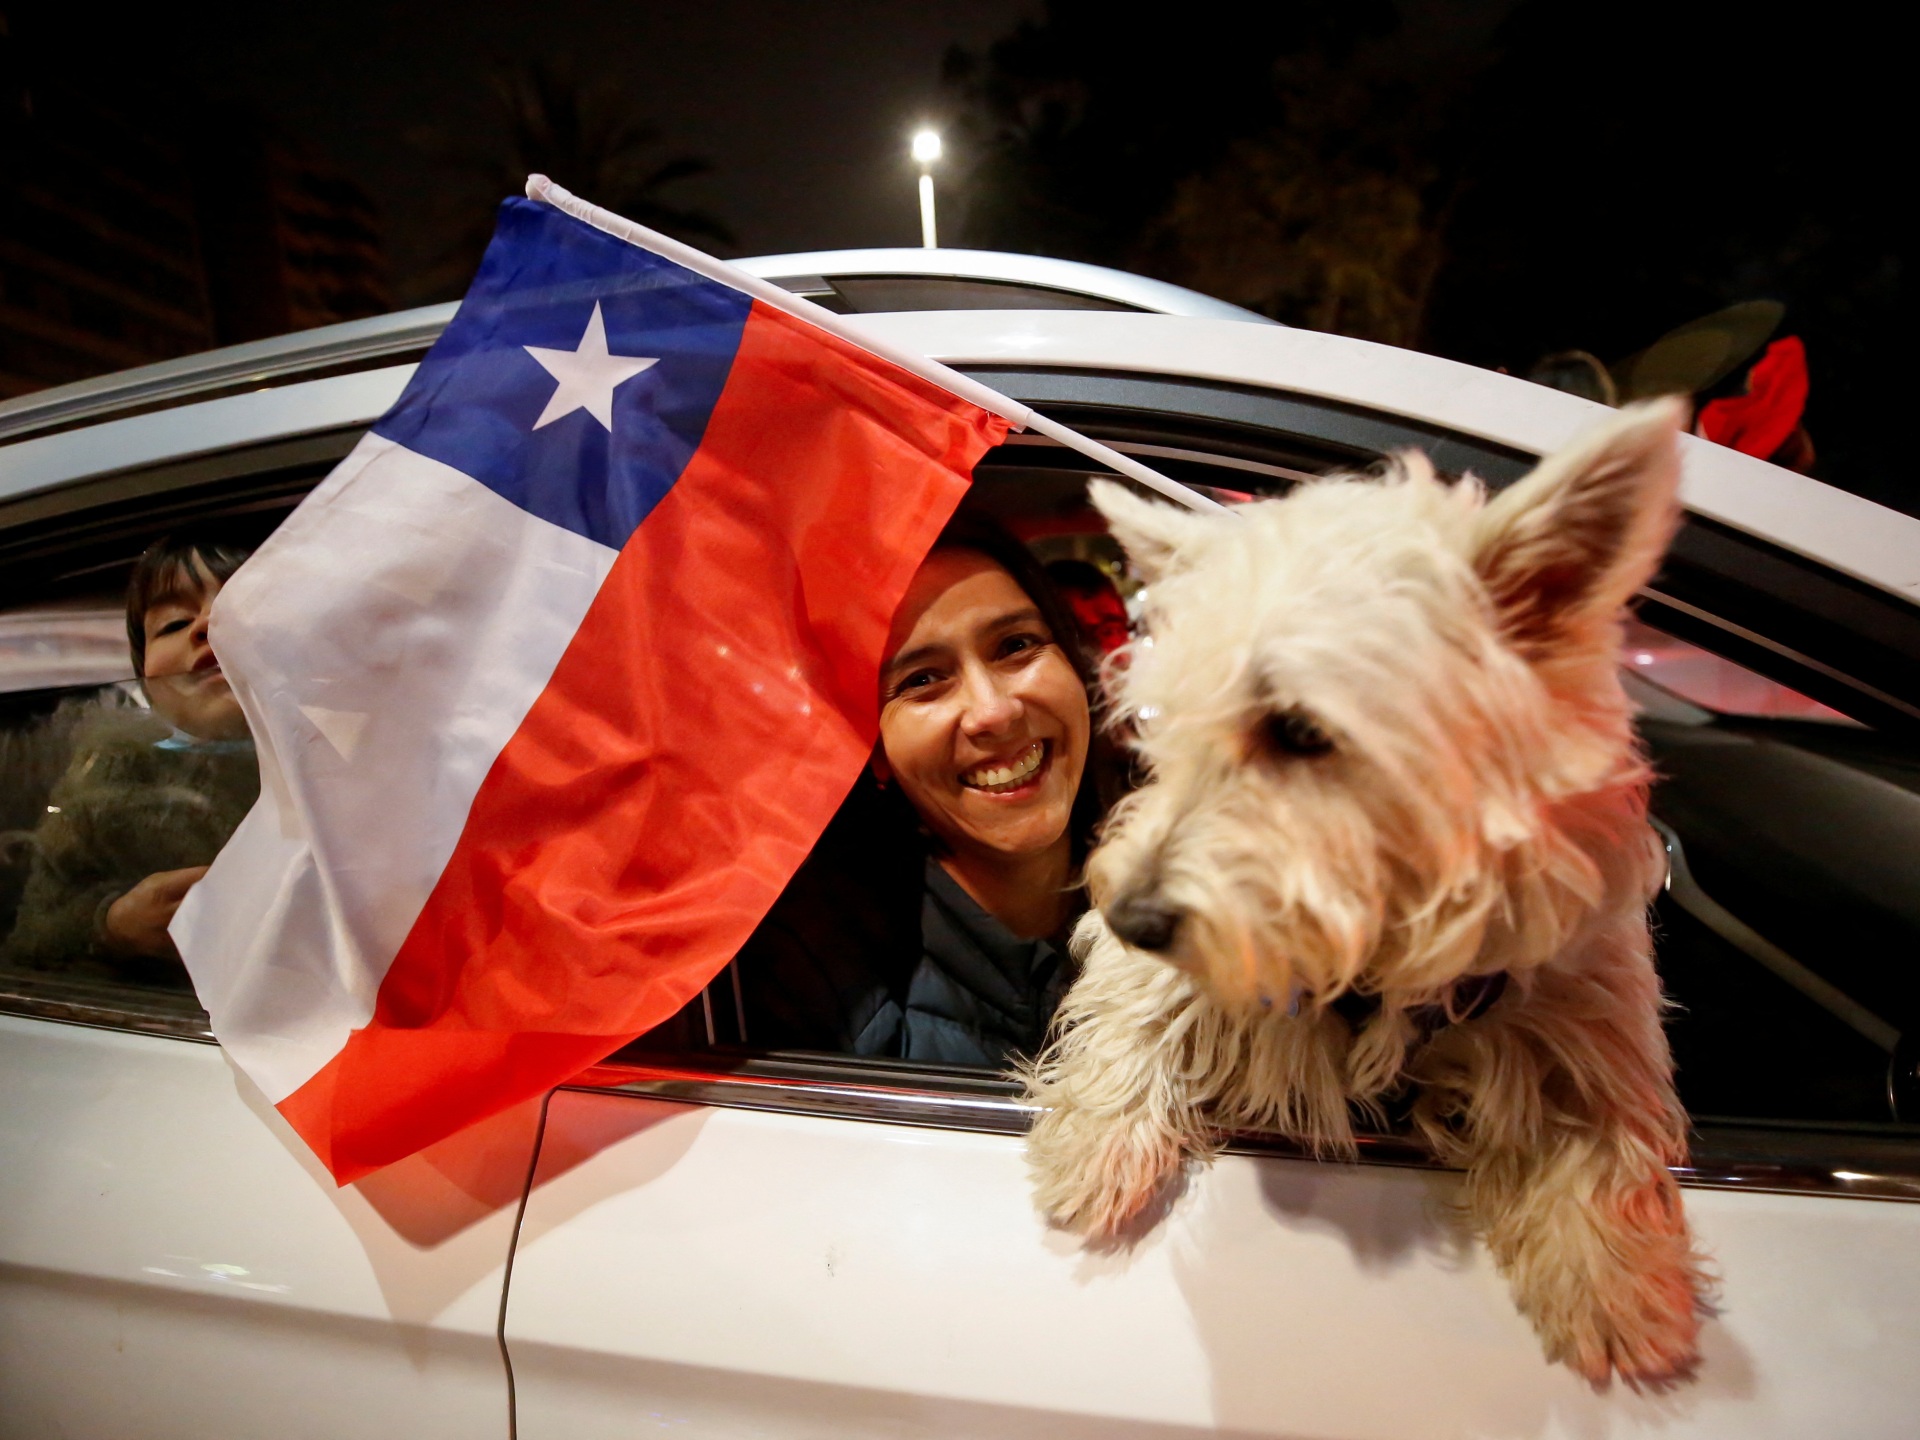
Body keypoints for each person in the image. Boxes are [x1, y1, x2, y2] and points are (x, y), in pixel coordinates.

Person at [725, 512, 1114, 1066]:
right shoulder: (813, 975)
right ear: (875, 751)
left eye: (1016, 645)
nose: (994, 712)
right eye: (922, 680)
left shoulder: (1211, 880)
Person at [0, 529, 259, 983]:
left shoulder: (374, 763)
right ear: (147, 684)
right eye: (174, 624)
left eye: (248, 606)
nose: (206, 626)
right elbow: (34, 933)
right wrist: (113, 924)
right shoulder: (111, 779)